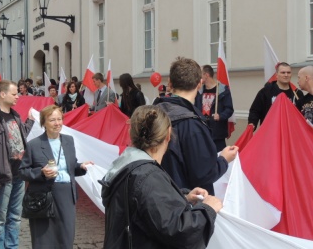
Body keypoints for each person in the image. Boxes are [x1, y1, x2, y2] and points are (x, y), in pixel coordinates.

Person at [100, 105, 222, 248]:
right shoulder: (148, 176)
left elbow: (145, 206)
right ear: (168, 135)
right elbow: (180, 232)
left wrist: (182, 198)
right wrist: (208, 209)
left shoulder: (129, 165)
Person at [154, 57, 238, 195]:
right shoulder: (193, 125)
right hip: (184, 203)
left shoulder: (152, 113)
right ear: (199, 84)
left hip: (159, 195)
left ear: (169, 82)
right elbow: (203, 173)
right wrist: (224, 160)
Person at [19, 105, 93, 248]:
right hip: (42, 196)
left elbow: (70, 166)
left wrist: (81, 166)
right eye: (52, 120)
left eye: (59, 119)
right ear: (44, 123)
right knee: (43, 239)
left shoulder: (68, 140)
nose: (57, 123)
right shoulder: (34, 144)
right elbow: (23, 171)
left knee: (65, 237)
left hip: (66, 195)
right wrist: (41, 172)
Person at [0, 80, 35, 248]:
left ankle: (12, 246)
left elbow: (21, 137)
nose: (17, 96)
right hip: (3, 175)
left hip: (18, 174)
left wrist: (30, 121)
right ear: (2, 94)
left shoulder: (16, 115)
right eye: (14, 93)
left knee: (15, 216)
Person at [248, 62, 304, 130]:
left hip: (290, 132)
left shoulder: (297, 94)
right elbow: (255, 111)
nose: (286, 75)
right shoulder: (265, 92)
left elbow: (302, 115)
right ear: (276, 75)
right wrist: (252, 123)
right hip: (270, 132)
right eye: (283, 72)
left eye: (288, 72)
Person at [195, 65, 234, 152]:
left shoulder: (222, 91)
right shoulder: (199, 92)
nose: (198, 77)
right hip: (203, 133)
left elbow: (229, 109)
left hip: (217, 134)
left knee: (219, 158)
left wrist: (220, 116)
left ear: (206, 75)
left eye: (200, 74)